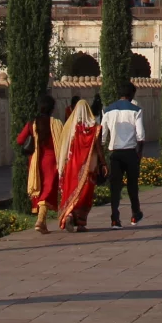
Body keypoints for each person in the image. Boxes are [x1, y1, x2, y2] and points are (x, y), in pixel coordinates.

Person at [101, 83, 146, 228]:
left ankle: (115, 218)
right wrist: (139, 153)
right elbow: (140, 135)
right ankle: (135, 214)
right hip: (130, 152)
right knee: (132, 186)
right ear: (131, 94)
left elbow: (102, 136)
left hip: (115, 153)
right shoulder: (136, 110)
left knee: (115, 187)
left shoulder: (107, 110)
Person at [15, 92, 61, 233]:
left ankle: (43, 222)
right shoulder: (56, 123)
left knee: (40, 188)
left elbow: (20, 140)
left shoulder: (32, 123)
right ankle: (40, 220)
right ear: (52, 108)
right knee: (48, 189)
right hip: (52, 159)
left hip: (36, 161)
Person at [56, 97, 103, 232]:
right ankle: (81, 223)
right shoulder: (94, 128)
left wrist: (62, 166)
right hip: (89, 167)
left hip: (72, 166)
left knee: (72, 191)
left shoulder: (70, 128)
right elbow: (98, 147)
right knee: (85, 194)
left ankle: (69, 214)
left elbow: (63, 147)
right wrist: (103, 163)